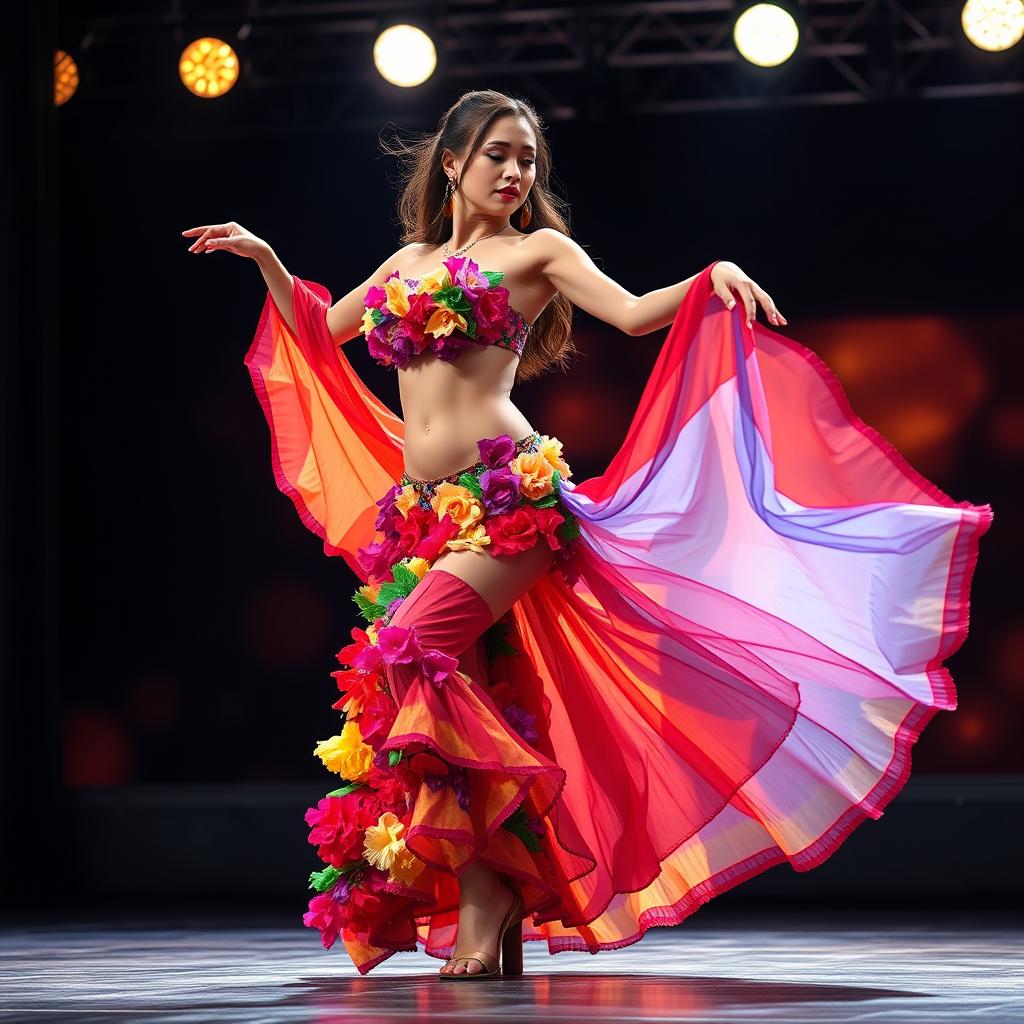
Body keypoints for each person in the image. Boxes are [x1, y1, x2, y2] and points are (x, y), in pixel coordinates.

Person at [182, 89, 993, 980]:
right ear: (452, 163)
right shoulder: (408, 261)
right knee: (468, 694)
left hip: (509, 497)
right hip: (424, 515)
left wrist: (707, 275)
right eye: (497, 154)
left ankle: (490, 900)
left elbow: (638, 311)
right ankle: (499, 899)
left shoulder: (539, 251)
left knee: (407, 652)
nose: (516, 172)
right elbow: (315, 334)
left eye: (527, 158)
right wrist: (263, 258)